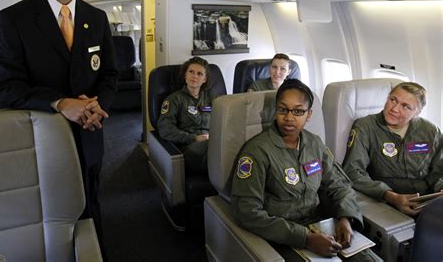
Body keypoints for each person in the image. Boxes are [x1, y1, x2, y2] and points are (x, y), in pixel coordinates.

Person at [0, 0, 117, 254]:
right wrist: (61, 103)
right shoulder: (15, 19)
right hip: (42, 138)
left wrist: (96, 106)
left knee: (92, 203)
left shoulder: (97, 18)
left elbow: (110, 75)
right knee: (53, 215)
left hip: (91, 133)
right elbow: (5, 88)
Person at [231, 79, 381, 261]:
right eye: (282, 109)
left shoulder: (315, 144)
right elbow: (246, 211)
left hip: (321, 225)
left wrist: (346, 218)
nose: (289, 117)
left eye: (298, 111)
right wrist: (305, 239)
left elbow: (339, 184)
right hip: (282, 234)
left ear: (308, 115)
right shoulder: (256, 151)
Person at [343, 82, 442, 216]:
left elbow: (439, 171)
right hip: (385, 199)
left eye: (405, 106)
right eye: (393, 100)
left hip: (425, 201)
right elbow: (353, 171)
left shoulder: (431, 131)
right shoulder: (365, 127)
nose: (394, 109)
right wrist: (390, 196)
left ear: (417, 112)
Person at [157, 57, 217, 174]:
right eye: (191, 72)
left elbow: (226, 119)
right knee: (218, 150)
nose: (194, 76)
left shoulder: (212, 98)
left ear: (205, 79)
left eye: (199, 74)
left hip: (212, 141)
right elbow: (165, 129)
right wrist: (193, 138)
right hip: (189, 147)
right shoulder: (174, 100)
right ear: (185, 75)